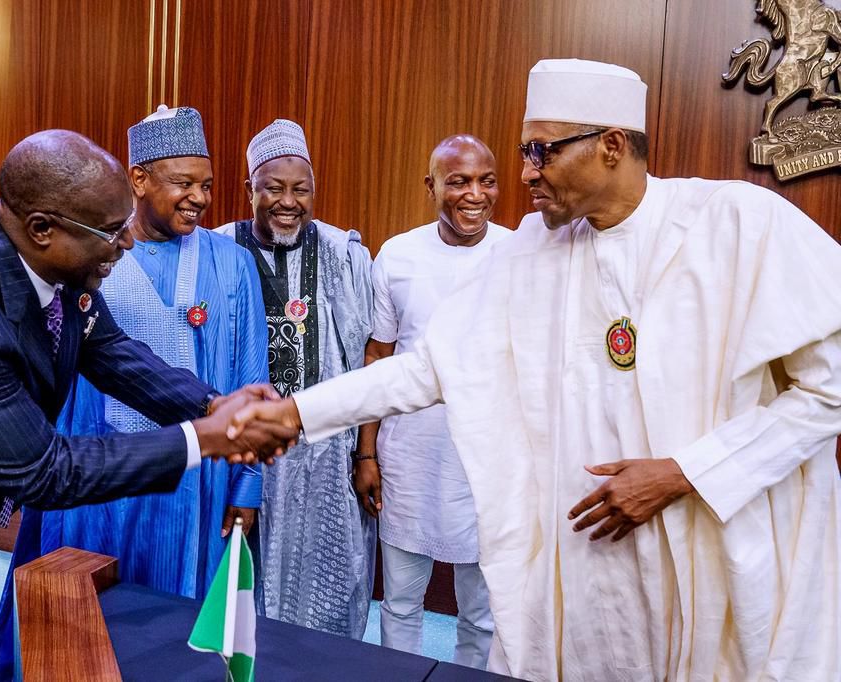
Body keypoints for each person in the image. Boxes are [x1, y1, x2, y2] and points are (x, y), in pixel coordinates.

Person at [230, 59, 841, 680]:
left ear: (610, 146)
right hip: (588, 563)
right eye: (525, 152)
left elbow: (828, 392)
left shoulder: (737, 224)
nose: (524, 174)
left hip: (709, 553)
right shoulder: (534, 251)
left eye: (541, 152)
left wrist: (684, 473)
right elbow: (425, 370)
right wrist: (294, 413)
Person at [0, 129, 290, 679]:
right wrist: (210, 437)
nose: (127, 244)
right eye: (112, 233)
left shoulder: (46, 257)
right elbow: (46, 471)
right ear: (43, 228)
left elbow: (111, 351)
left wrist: (213, 404)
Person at [0, 109, 270, 679]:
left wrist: (247, 483)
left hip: (190, 482)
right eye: (183, 183)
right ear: (138, 180)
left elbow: (247, 371)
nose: (199, 198)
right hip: (90, 478)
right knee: (75, 622)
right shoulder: (81, 255)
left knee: (171, 636)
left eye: (206, 184)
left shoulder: (232, 263)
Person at [214, 119, 375, 639]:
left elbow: (363, 355)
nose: (289, 201)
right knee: (238, 589)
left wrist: (363, 453)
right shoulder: (218, 249)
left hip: (322, 458)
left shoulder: (342, 253)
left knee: (324, 590)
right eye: (274, 188)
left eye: (300, 188)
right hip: (243, 454)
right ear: (250, 190)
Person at [355, 134, 509, 668]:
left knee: (484, 613)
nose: (475, 194)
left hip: (489, 464)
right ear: (431, 186)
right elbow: (379, 357)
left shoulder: (519, 253)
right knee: (399, 603)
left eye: (486, 180)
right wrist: (366, 453)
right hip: (410, 459)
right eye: (459, 181)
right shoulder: (398, 254)